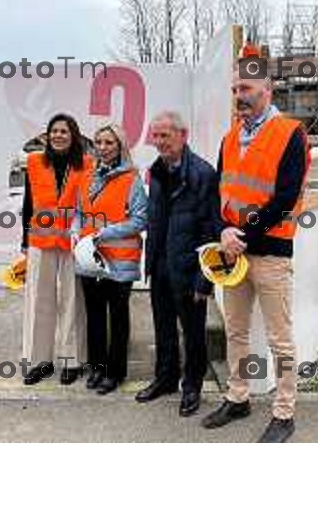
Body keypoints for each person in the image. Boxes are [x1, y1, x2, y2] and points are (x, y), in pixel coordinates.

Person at [201, 73, 311, 443]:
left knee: (280, 338)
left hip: (270, 253)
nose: (238, 96)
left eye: (245, 89)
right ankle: (238, 397)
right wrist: (222, 231)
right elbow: (218, 191)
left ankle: (284, 412)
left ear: (267, 91)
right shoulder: (230, 137)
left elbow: (285, 198)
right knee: (236, 332)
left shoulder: (290, 133)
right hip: (234, 253)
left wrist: (240, 235)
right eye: (234, 89)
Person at [135, 111, 220, 417]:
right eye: (155, 136)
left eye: (165, 136)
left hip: (188, 268)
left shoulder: (203, 174)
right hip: (159, 266)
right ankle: (166, 378)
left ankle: (192, 385)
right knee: (163, 329)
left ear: (183, 135)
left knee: (194, 332)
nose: (158, 143)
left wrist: (203, 280)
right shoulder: (156, 171)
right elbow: (156, 221)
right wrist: (150, 264)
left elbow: (211, 231)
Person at [73, 123, 147, 394]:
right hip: (89, 258)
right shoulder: (87, 175)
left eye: (109, 143)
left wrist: (103, 233)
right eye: (99, 142)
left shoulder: (132, 179)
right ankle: (97, 367)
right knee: (94, 316)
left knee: (117, 317)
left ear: (120, 147)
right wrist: (76, 232)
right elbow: (80, 211)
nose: (103, 148)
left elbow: (140, 219)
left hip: (119, 260)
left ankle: (115, 373)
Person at [21, 113, 93, 386]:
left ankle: (71, 360)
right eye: (54, 131)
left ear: (73, 136)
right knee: (39, 302)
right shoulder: (34, 162)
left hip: (72, 243)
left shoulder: (87, 164)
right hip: (40, 241)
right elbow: (28, 205)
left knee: (72, 300)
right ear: (47, 136)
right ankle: (39, 361)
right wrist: (23, 244)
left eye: (64, 131)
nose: (58, 135)